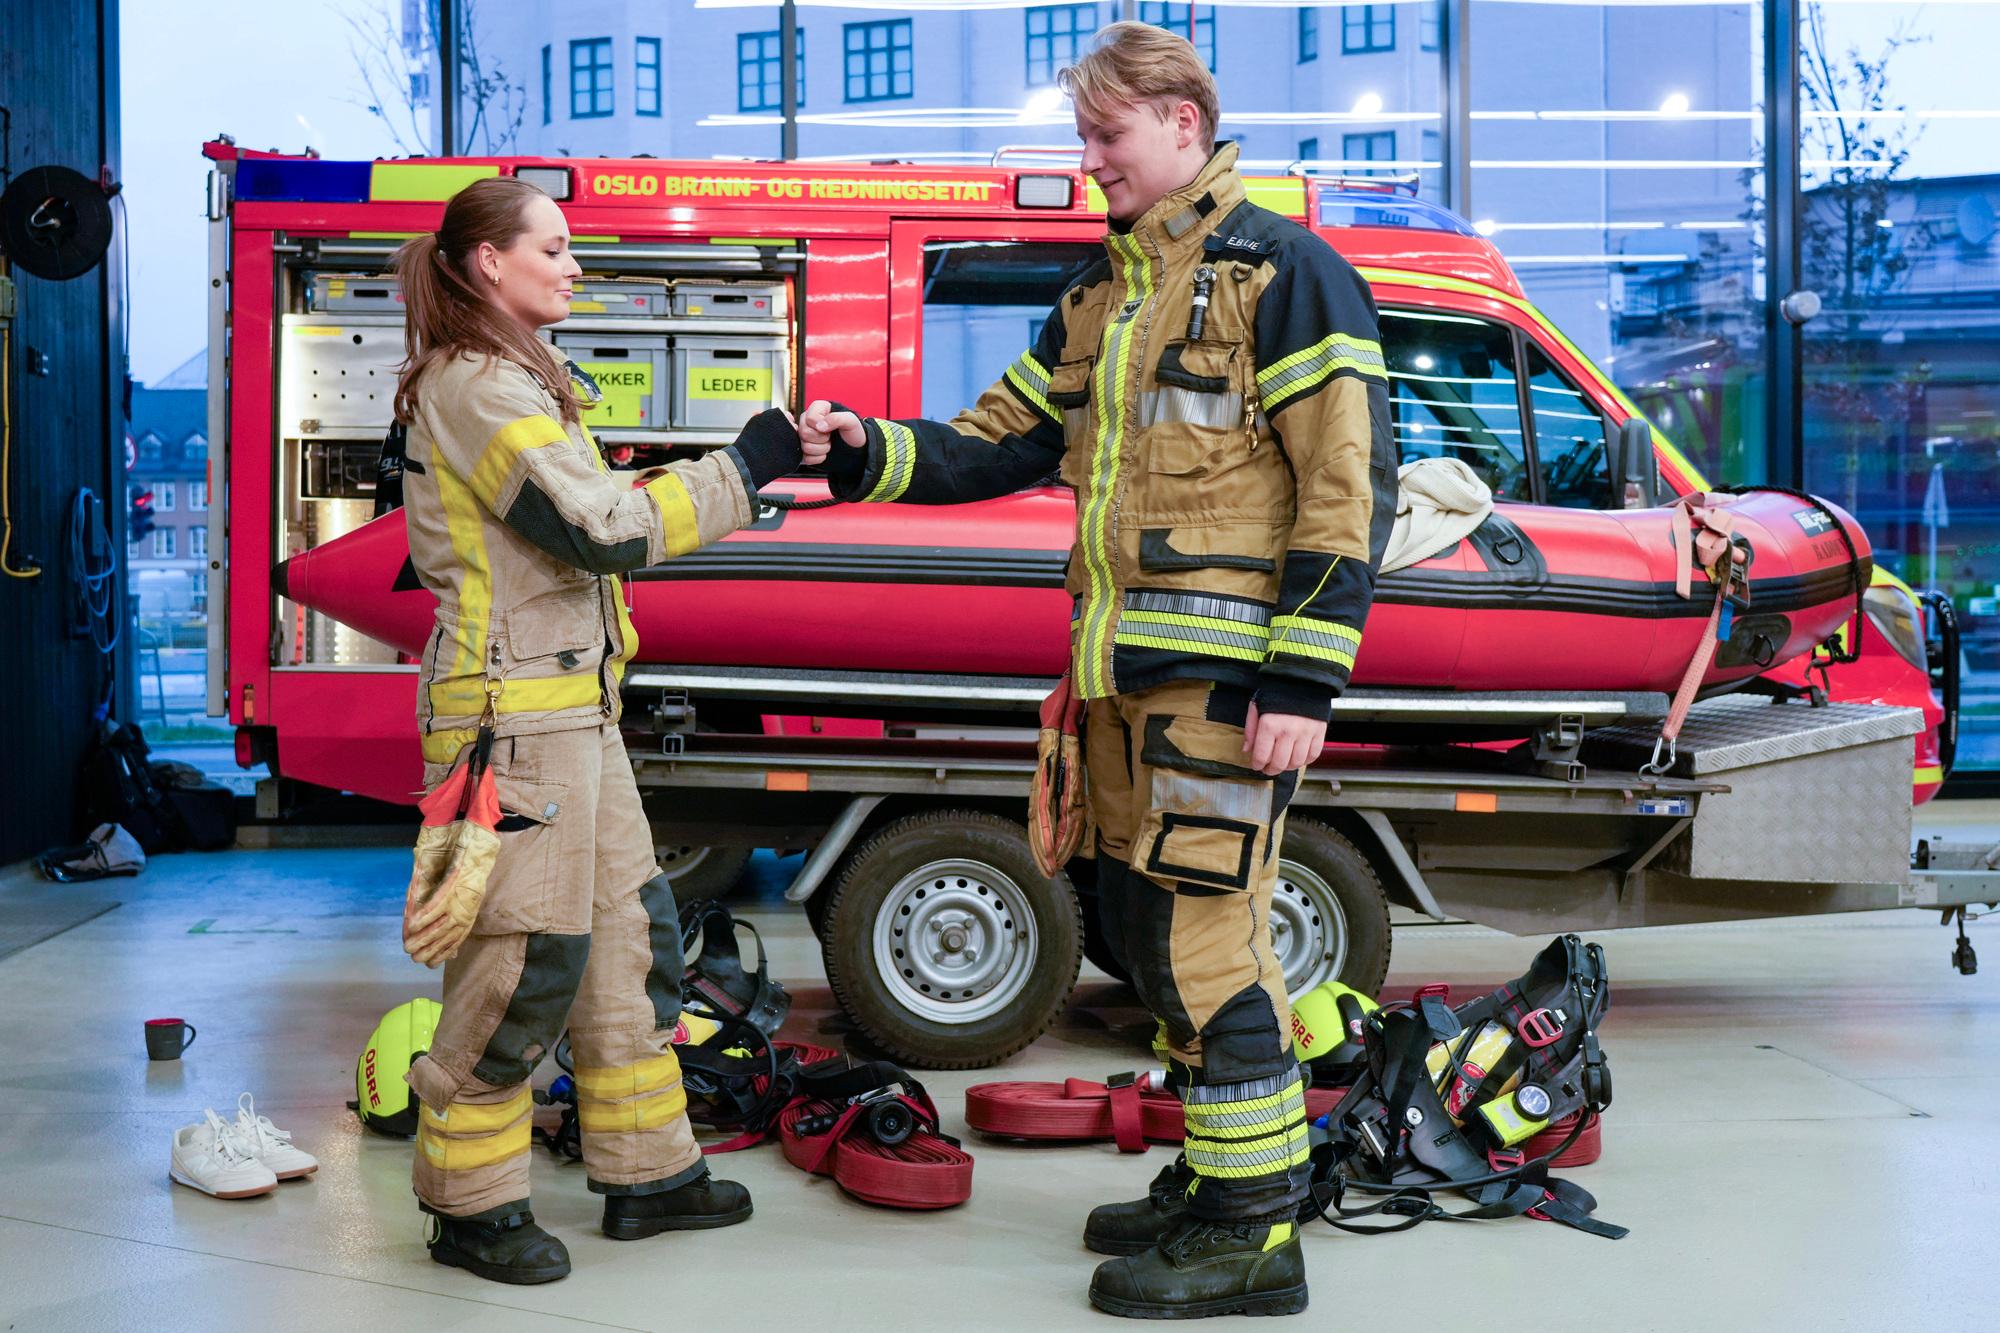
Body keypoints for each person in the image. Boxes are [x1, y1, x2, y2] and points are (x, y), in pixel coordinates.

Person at [801, 22, 1394, 1320]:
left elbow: (1348, 484)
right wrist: (860, 454)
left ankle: (1253, 1239)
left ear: (1184, 123)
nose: (1088, 162)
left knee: (1204, 943)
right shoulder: (1105, 297)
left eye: (1105, 136)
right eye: (1082, 137)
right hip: (1120, 686)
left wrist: (1305, 681)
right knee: (1140, 937)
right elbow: (990, 443)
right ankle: (1222, 1174)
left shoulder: (1284, 275)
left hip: (1226, 684)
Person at [389, 176, 824, 1284]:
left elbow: (599, 510)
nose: (576, 266)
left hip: (573, 719)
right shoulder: (474, 385)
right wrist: (744, 464)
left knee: (633, 946)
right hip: (506, 732)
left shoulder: (525, 378)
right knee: (520, 965)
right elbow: (600, 531)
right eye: (557, 246)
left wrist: (739, 481)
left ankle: (647, 1171)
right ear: (489, 263)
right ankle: (469, 1202)